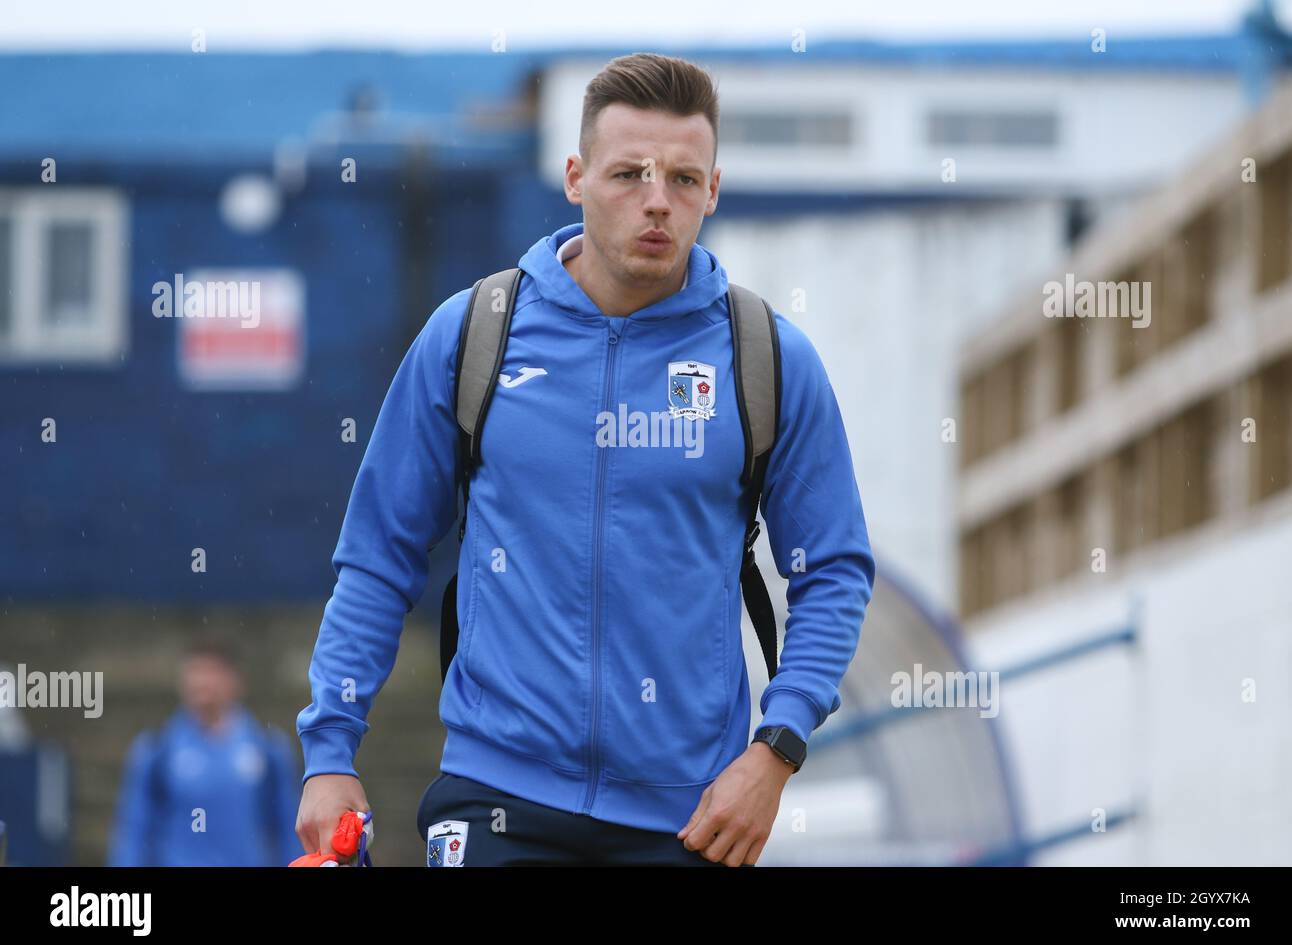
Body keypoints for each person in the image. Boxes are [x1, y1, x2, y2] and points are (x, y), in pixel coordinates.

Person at [296, 52, 875, 867]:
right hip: (496, 797)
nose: (656, 202)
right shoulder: (472, 337)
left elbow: (835, 571)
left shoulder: (768, 360)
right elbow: (378, 558)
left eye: (682, 178)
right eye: (628, 173)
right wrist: (329, 754)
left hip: (690, 818)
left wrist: (774, 753)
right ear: (573, 177)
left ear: (713, 190)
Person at [108, 639, 302, 866]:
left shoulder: (268, 749)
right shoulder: (158, 749)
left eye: (213, 672)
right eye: (195, 672)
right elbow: (134, 831)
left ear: (236, 681)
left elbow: (288, 828)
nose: (203, 682)